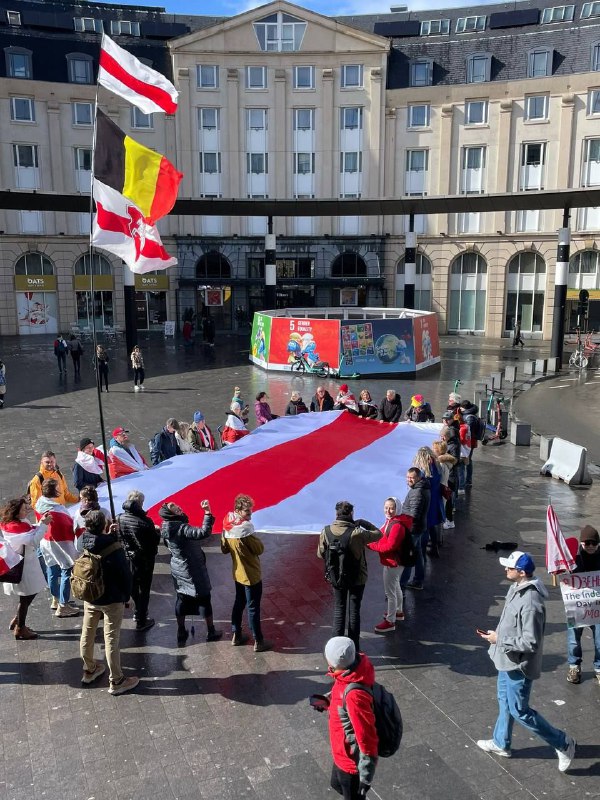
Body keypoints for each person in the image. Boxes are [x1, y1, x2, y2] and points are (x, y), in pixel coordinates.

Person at [477, 551, 576, 772]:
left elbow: (531, 642)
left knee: (520, 711)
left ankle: (563, 743)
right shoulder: (517, 587)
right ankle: (501, 742)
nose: (505, 570)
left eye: (509, 568)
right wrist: (498, 636)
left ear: (521, 573)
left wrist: (499, 638)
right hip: (506, 659)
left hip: (518, 665)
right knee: (504, 701)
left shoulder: (531, 601)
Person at [78, 510, 140, 695]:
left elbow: (97, 545)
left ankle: (89, 669)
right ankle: (117, 680)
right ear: (104, 525)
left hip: (90, 594)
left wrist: (108, 535)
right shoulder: (114, 547)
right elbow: (124, 575)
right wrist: (127, 596)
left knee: (87, 632)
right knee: (111, 638)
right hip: (111, 598)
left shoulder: (83, 540)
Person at [317, 500, 381, 649]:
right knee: (354, 612)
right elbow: (379, 534)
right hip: (357, 577)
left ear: (336, 514)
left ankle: (335, 649)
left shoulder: (325, 531)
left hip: (336, 578)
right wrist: (363, 522)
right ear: (351, 514)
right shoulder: (357, 533)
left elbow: (320, 554)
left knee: (339, 611)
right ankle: (353, 648)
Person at [322, 637, 379, 800]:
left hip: (350, 763)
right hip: (341, 753)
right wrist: (328, 700)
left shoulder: (354, 695)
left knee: (351, 794)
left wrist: (366, 776)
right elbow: (341, 695)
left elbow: (367, 736)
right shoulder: (350, 672)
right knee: (336, 784)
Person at [160, 499, 221, 645]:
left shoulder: (166, 527)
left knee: (181, 599)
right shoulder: (182, 528)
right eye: (174, 508)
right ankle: (210, 631)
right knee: (205, 598)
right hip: (192, 568)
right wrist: (207, 512)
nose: (179, 508)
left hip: (178, 568)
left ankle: (181, 630)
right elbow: (203, 532)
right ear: (170, 514)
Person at [221, 494, 271, 652]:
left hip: (238, 573)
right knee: (253, 608)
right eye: (247, 512)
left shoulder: (227, 526)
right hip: (251, 575)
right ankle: (258, 640)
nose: (250, 515)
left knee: (239, 603)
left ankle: (236, 634)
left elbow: (223, 549)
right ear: (238, 510)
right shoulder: (245, 531)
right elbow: (259, 549)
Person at [0, 498, 52, 639]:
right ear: (16, 513)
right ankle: (20, 628)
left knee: (28, 595)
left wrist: (41, 523)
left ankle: (19, 620)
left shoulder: (15, 524)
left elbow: (31, 531)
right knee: (26, 597)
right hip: (24, 567)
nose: (26, 510)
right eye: (23, 509)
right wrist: (44, 525)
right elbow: (33, 540)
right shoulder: (15, 529)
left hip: (25, 564)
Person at [117, 490, 161, 633]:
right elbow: (153, 542)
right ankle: (142, 619)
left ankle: (138, 612)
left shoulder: (120, 518)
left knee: (134, 587)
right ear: (140, 503)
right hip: (144, 560)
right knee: (144, 590)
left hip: (128, 558)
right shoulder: (145, 521)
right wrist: (157, 532)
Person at [35, 478, 80, 617]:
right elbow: (69, 526)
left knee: (52, 569)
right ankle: (63, 605)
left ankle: (55, 599)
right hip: (59, 543)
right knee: (67, 569)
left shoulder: (39, 503)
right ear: (55, 491)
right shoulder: (58, 509)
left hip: (45, 541)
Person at [368, 497, 411, 632]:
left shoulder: (396, 525)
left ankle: (390, 621)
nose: (388, 510)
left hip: (393, 562)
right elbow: (381, 535)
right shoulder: (393, 521)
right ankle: (398, 612)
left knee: (390, 592)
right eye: (386, 507)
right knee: (396, 586)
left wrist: (370, 545)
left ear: (397, 508)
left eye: (391, 508)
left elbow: (389, 546)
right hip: (396, 561)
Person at [566, 525, 600, 685]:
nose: (591, 546)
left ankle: (599, 668)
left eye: (594, 543)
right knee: (573, 639)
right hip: (577, 605)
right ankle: (574, 667)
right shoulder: (573, 557)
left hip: (597, 606)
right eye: (587, 543)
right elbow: (563, 573)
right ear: (581, 543)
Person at [399, 468, 430, 591]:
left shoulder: (417, 492)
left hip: (413, 530)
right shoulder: (422, 488)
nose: (408, 480)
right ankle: (418, 580)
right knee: (417, 555)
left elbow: (414, 515)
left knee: (408, 558)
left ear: (418, 477)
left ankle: (402, 585)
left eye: (411, 477)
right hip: (419, 527)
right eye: (407, 477)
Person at [413, 447, 444, 559]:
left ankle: (423, 551)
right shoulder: (437, 466)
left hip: (427, 501)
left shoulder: (424, 471)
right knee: (431, 526)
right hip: (435, 499)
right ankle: (434, 548)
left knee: (425, 527)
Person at [432, 439, 457, 531]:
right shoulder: (444, 462)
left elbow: (441, 479)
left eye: (434, 448)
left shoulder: (441, 464)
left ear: (439, 450)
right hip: (443, 488)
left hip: (440, 490)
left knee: (439, 513)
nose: (432, 450)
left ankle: (439, 536)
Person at [459, 400, 480, 488]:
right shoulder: (470, 413)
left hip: (469, 442)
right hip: (470, 442)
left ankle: (467, 481)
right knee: (467, 461)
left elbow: (468, 431)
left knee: (467, 461)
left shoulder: (469, 417)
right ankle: (467, 481)